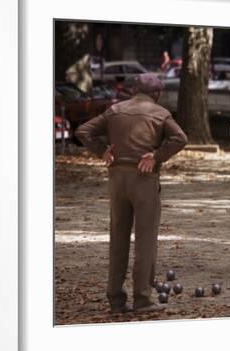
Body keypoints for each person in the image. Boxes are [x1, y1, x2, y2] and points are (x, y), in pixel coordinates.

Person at [75, 73, 188, 313]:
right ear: (156, 93)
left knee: (118, 239)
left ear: (134, 90)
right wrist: (156, 155)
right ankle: (142, 299)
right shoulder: (160, 113)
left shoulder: (114, 110)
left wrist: (101, 151)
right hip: (144, 178)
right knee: (145, 242)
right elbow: (180, 138)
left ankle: (116, 298)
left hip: (117, 179)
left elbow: (83, 131)